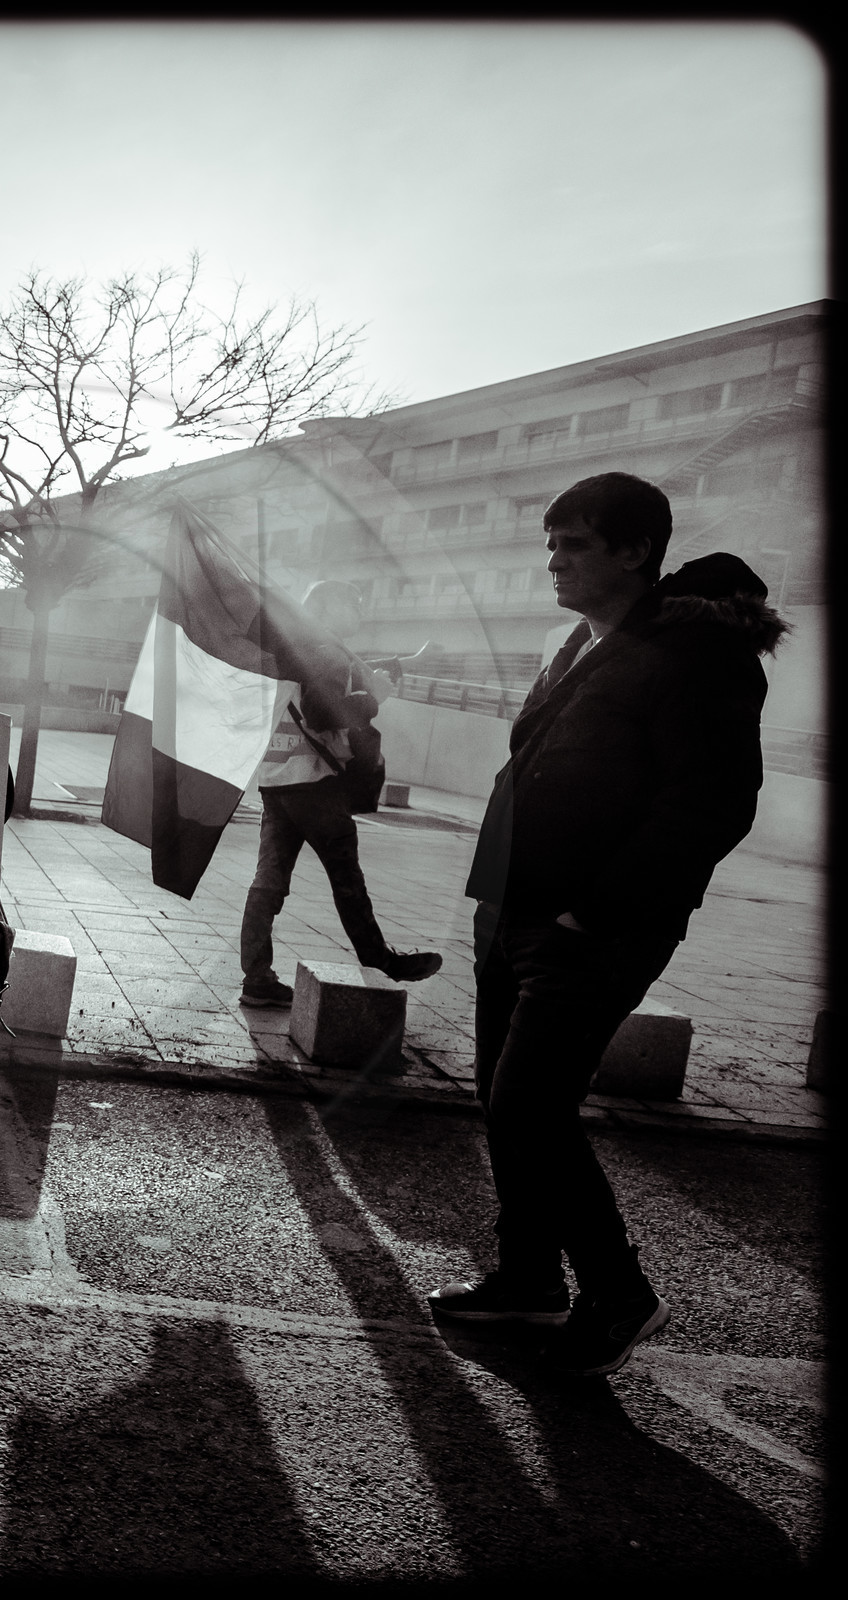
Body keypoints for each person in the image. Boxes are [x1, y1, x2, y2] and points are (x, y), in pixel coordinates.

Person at [430, 472, 785, 1378]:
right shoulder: (585, 644)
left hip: (594, 927)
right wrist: (500, 895)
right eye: (550, 543)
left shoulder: (695, 654)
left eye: (575, 545)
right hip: (514, 907)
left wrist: (598, 908)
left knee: (532, 1105)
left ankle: (618, 1293)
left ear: (635, 551)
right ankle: (528, 1277)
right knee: (502, 1102)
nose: (554, 561)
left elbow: (712, 803)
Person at [239, 579, 443, 1006]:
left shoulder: (290, 649)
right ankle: (378, 958)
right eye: (354, 604)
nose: (360, 613)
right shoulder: (328, 652)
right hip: (315, 784)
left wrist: (381, 675)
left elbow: (323, 686)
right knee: (346, 877)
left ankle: (256, 978)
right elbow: (322, 710)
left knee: (268, 882)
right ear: (329, 608)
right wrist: (375, 698)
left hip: (277, 779)